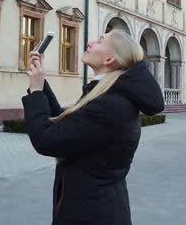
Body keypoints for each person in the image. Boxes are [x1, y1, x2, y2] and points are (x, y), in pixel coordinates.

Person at [21, 28, 165, 225]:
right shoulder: (108, 95)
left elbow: (46, 140)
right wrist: (40, 82)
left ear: (109, 59)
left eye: (100, 41)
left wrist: (37, 91)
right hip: (94, 208)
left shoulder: (110, 105)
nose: (89, 43)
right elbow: (65, 124)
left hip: (92, 214)